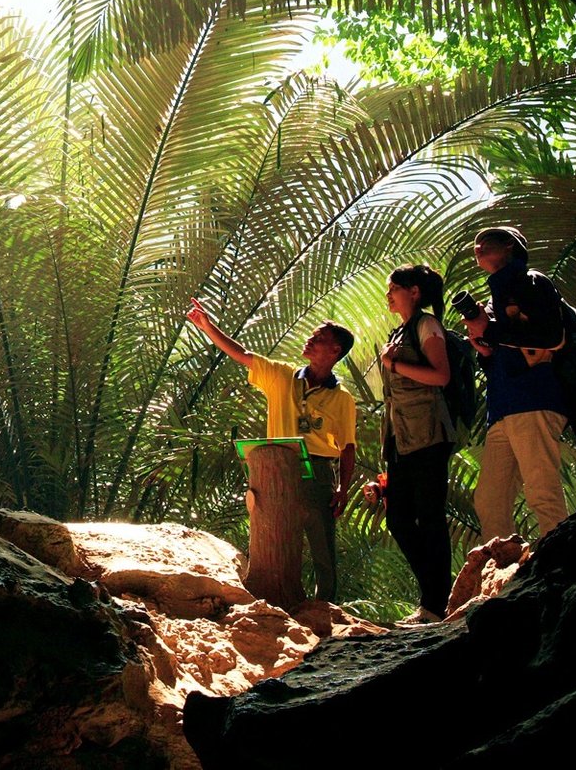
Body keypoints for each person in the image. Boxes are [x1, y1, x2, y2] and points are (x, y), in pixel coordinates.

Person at [186, 300, 357, 602]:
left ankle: (326, 606)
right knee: (272, 537)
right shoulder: (282, 375)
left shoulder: (342, 399)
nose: (311, 339)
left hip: (319, 473)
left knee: (322, 547)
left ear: (335, 352)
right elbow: (243, 355)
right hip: (279, 469)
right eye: (312, 335)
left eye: (319, 338)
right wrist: (208, 327)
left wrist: (343, 488)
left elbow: (347, 447)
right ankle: (271, 601)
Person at [461, 225, 569, 540]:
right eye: (476, 243)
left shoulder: (532, 283)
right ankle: (503, 578)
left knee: (542, 492)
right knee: (489, 501)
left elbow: (551, 337)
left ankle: (562, 570)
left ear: (510, 245)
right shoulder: (495, 296)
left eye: (486, 242)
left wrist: (491, 331)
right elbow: (503, 353)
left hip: (534, 399)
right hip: (503, 408)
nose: (477, 247)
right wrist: (484, 348)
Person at [375, 263, 455, 625]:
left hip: (428, 435)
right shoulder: (401, 330)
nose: (388, 294)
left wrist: (394, 366)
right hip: (400, 439)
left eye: (394, 288)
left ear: (415, 292)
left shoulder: (427, 325)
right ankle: (436, 596)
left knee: (430, 518)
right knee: (399, 518)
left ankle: (435, 605)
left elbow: (440, 375)